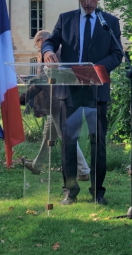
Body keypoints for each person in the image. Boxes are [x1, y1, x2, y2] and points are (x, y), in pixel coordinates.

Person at [41, 0, 123, 205]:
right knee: (68, 143)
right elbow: (51, 42)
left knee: (98, 144)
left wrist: (94, 71)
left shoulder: (110, 22)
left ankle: (98, 192)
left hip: (96, 91)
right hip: (70, 91)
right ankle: (69, 191)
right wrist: (47, 51)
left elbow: (117, 54)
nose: (87, 2)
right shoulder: (66, 19)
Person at [21, 30, 90, 181]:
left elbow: (43, 80)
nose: (37, 48)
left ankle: (83, 170)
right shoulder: (55, 52)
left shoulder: (51, 55)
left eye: (36, 44)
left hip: (57, 102)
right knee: (48, 135)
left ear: (40, 40)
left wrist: (24, 98)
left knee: (65, 137)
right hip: (56, 102)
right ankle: (36, 165)